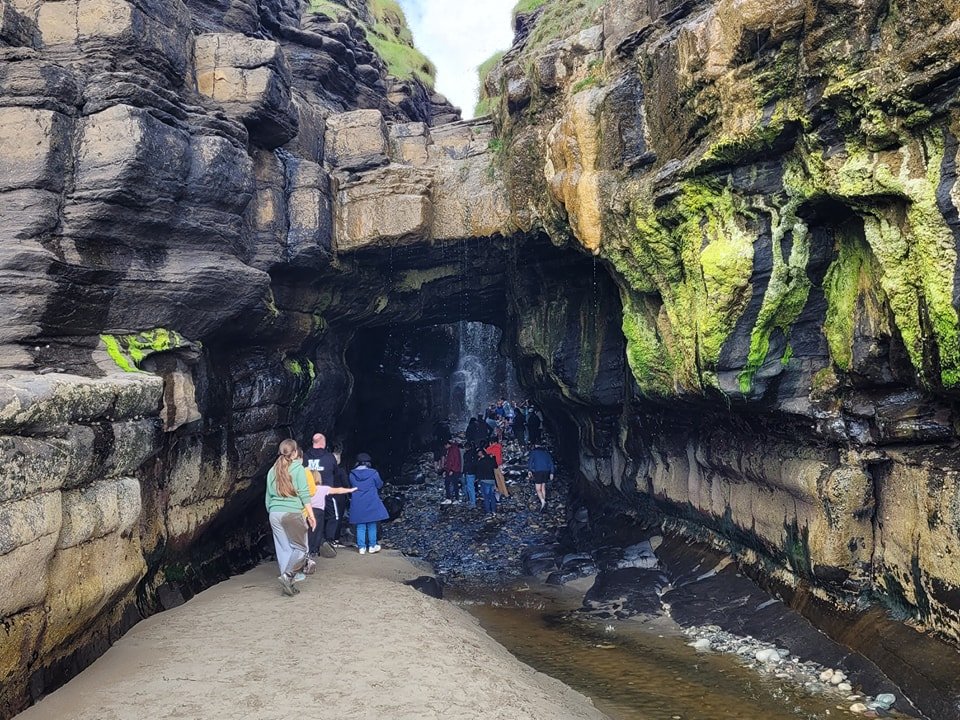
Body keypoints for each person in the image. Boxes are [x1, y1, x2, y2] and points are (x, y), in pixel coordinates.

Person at [265, 439, 317, 596]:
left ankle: (288, 584)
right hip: (292, 513)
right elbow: (304, 494)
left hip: (274, 513)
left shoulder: (272, 470)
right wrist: (311, 516)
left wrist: (273, 511)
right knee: (301, 548)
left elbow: (267, 498)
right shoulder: (298, 468)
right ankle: (288, 577)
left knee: (283, 549)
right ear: (294, 453)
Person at [303, 433, 344, 552]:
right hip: (326, 492)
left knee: (309, 517)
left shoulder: (305, 457)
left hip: (309, 493)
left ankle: (310, 543)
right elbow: (336, 472)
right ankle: (328, 540)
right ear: (323, 443)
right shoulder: (329, 457)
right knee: (332, 516)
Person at [307, 468, 356, 556]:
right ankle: (314, 550)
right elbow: (338, 490)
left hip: (307, 511)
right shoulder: (323, 488)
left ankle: (307, 550)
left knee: (308, 531)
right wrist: (350, 490)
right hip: (318, 512)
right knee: (318, 531)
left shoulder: (305, 489)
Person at [349, 453, 389, 554]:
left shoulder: (352, 474)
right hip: (371, 501)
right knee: (372, 524)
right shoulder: (374, 473)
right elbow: (379, 485)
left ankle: (361, 547)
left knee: (360, 525)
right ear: (368, 463)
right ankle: (372, 546)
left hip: (358, 502)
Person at [527, 444, 555, 511]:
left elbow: (530, 462)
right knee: (543, 487)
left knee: (538, 489)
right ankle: (543, 500)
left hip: (538, 471)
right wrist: (552, 473)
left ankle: (543, 502)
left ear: (536, 446)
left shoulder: (534, 452)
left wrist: (529, 470)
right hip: (546, 471)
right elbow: (551, 463)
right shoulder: (546, 453)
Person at [475, 447, 498, 515]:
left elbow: (478, 470)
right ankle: (493, 510)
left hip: (484, 480)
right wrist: (493, 458)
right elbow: (495, 466)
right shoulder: (491, 459)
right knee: (492, 496)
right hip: (492, 480)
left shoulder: (481, 461)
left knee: (486, 496)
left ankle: (488, 511)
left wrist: (477, 479)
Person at [441, 438, 462, 504]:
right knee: (449, 483)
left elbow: (456, 460)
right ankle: (450, 498)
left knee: (454, 484)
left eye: (445, 446)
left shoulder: (454, 449)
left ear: (447, 444)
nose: (445, 447)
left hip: (453, 470)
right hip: (450, 469)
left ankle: (455, 498)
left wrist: (452, 470)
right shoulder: (451, 449)